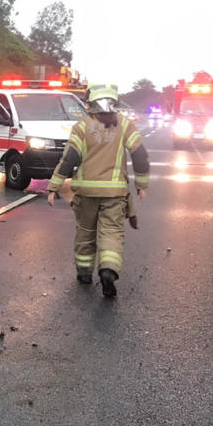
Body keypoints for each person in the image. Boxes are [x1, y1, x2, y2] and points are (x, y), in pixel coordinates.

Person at [46, 83, 149, 297]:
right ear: (115, 103)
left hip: (85, 193)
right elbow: (139, 155)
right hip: (114, 194)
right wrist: (141, 184)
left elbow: (69, 159)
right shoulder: (125, 125)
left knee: (85, 232)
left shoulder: (82, 127)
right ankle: (108, 270)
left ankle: (84, 273)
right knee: (111, 233)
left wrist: (54, 186)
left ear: (90, 103)